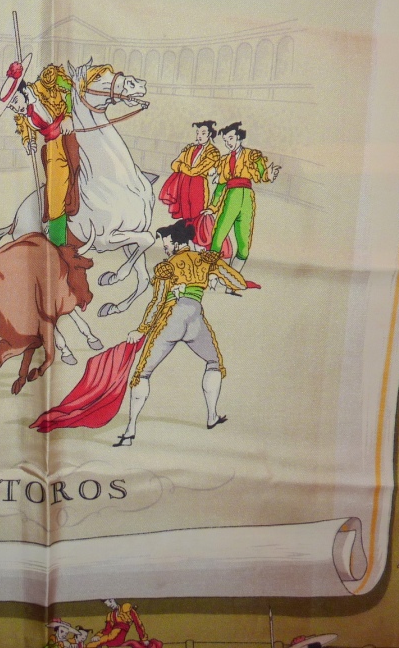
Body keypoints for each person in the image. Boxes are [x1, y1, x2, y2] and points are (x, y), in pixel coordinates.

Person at [116, 220, 250, 446]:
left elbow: (157, 302)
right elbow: (240, 283)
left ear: (177, 243)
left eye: (167, 244)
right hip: (195, 319)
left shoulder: (168, 266)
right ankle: (212, 416)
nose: (165, 249)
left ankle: (130, 431)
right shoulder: (205, 259)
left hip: (171, 317)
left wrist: (141, 330)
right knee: (214, 363)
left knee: (143, 373)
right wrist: (214, 271)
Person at [0, 53, 79, 247]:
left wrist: (67, 115)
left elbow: (72, 89)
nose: (15, 108)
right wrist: (29, 141)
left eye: (15, 101)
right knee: (55, 192)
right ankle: (59, 243)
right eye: (11, 106)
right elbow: (25, 129)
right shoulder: (22, 114)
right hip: (53, 147)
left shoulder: (46, 82)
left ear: (23, 91)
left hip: (72, 133)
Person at [202, 121, 279, 273]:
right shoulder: (224, 160)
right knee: (218, 237)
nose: (228, 143)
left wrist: (269, 175)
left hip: (247, 199)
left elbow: (262, 175)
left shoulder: (252, 155)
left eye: (230, 138)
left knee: (244, 244)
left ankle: (233, 275)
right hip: (231, 197)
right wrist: (212, 207)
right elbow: (220, 186)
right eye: (225, 141)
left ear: (239, 137)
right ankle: (212, 274)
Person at [157, 120, 221, 222]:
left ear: (209, 134)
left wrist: (182, 166)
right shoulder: (190, 148)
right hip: (184, 184)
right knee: (185, 214)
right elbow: (174, 164)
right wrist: (185, 167)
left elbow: (195, 171)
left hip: (198, 184)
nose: (199, 136)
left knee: (197, 213)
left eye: (203, 133)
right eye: (198, 133)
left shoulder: (213, 152)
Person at [85, 598, 160, 648]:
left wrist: (144, 638)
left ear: (113, 599)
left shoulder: (127, 609)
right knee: (99, 641)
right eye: (107, 604)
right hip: (111, 640)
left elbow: (138, 624)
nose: (110, 605)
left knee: (109, 636)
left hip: (118, 637)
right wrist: (98, 636)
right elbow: (107, 630)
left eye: (110, 601)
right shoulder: (110, 615)